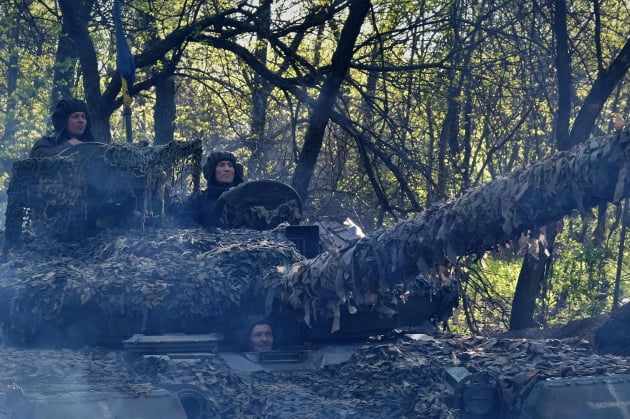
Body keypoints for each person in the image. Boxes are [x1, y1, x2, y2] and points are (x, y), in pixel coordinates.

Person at [187, 151, 245, 227]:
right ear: (212, 171)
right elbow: (184, 219)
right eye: (221, 165)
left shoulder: (246, 198)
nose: (227, 169)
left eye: (230, 165)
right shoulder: (198, 199)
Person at [30, 98, 96, 158]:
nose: (81, 121)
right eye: (75, 116)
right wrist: (69, 145)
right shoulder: (46, 143)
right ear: (64, 121)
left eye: (84, 117)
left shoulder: (93, 147)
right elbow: (36, 161)